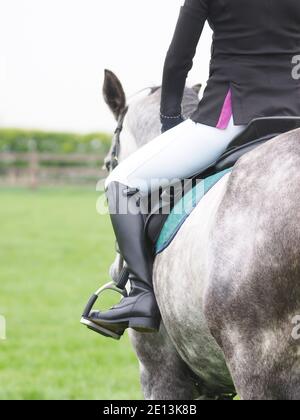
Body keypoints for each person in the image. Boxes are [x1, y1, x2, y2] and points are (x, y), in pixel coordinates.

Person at [90, 0, 300, 336]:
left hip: (232, 116)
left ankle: (141, 296)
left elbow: (178, 61)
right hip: (293, 117)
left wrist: (171, 119)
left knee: (120, 183)